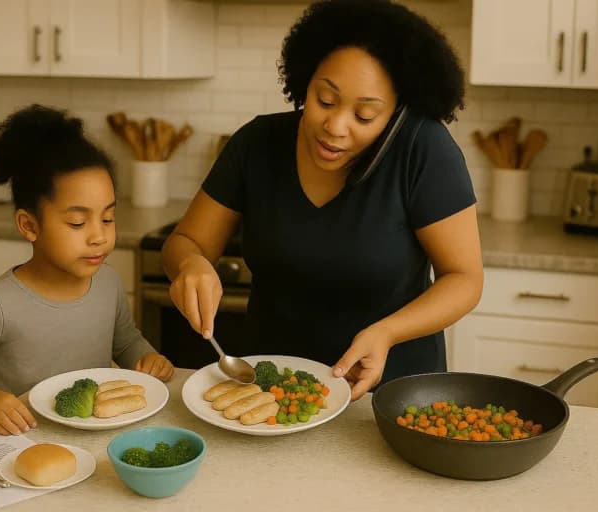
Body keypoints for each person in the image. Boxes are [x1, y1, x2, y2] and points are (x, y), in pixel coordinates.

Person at [161, 0, 483, 400]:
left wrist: (387, 332)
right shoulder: (256, 144)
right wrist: (191, 264)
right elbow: (184, 242)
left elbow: (464, 279)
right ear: (304, 80)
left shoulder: (424, 149)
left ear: (398, 112)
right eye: (324, 101)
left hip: (387, 396)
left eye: (364, 116)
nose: (335, 127)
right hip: (269, 392)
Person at [0, 105, 174, 435]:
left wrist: (147, 358)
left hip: (97, 439)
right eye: (77, 222)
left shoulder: (108, 283)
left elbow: (125, 341)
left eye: (108, 218)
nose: (99, 236)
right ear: (29, 225)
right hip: (26, 445)